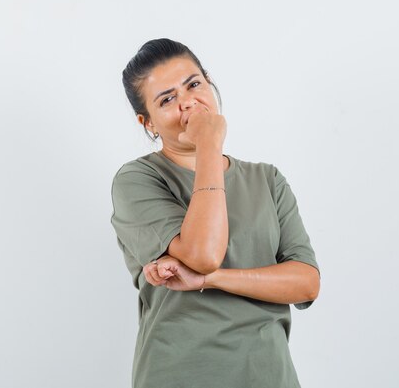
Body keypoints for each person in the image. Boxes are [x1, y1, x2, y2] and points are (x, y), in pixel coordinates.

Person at [110, 38, 321, 388]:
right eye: (167, 99)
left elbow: (307, 284)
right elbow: (204, 253)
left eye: (194, 84)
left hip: (268, 375)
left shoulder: (266, 179)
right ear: (148, 123)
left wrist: (211, 280)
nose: (188, 102)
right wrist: (208, 143)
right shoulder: (137, 180)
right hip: (180, 374)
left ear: (209, 82)